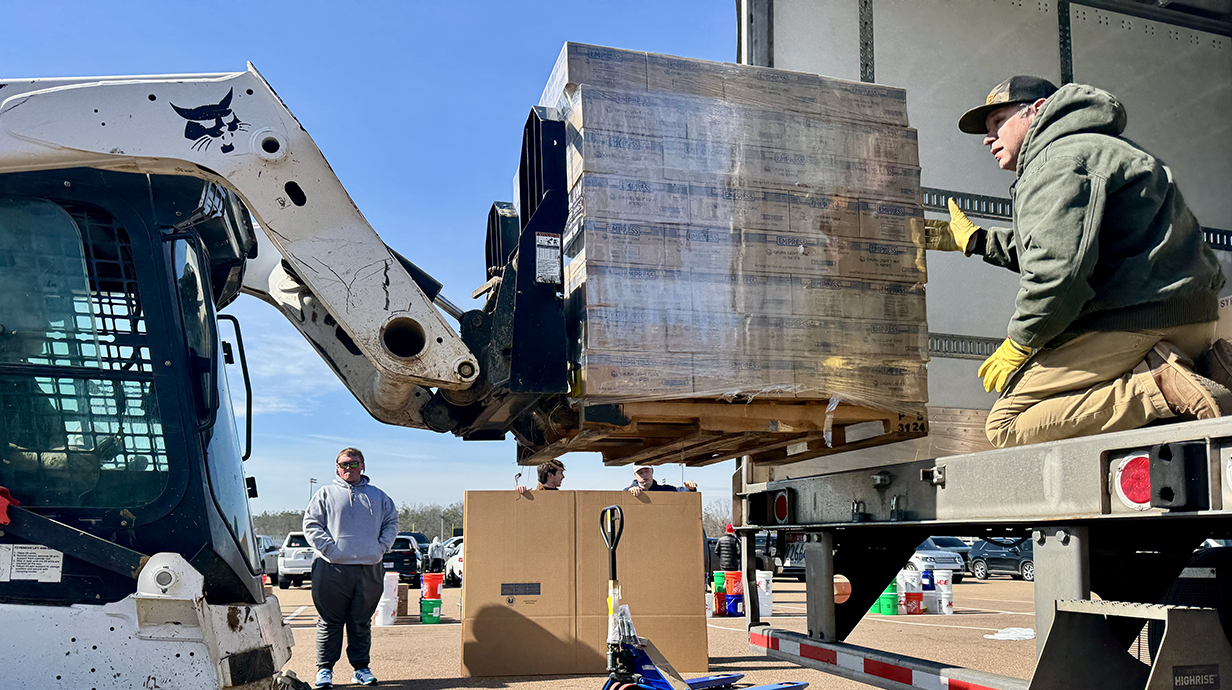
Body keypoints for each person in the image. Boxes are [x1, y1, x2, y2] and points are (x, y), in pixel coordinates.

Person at [926, 75, 1231, 449]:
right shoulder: (1102, 150)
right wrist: (978, 241)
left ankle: (1160, 389)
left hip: (1135, 322)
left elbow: (1060, 273)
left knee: (1006, 424)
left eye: (997, 122)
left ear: (1037, 110)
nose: (989, 138)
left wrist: (1021, 341)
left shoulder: (1059, 161)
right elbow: (1071, 246)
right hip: (1192, 321)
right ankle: (1206, 370)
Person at [303, 447, 398, 688]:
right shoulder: (325, 494)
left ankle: (361, 668)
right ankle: (325, 670)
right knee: (329, 621)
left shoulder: (378, 497)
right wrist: (330, 550)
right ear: (337, 467)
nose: (349, 468)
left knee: (360, 622)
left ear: (362, 466)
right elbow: (311, 524)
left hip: (369, 568)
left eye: (354, 464)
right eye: (344, 464)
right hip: (331, 569)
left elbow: (391, 522)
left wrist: (381, 547)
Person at [625, 465, 698, 497]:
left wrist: (690, 489)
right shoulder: (627, 492)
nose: (644, 475)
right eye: (640, 472)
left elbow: (682, 493)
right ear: (635, 475)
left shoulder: (664, 490)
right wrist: (629, 494)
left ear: (652, 471)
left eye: (646, 471)